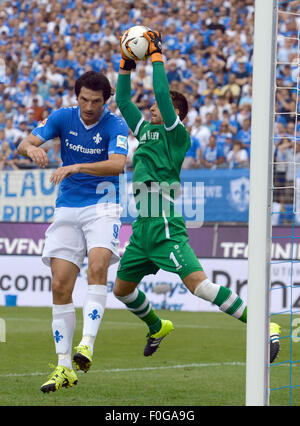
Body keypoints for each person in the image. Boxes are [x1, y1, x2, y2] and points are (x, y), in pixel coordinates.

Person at [113, 29, 281, 362]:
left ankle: (265, 324)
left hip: (164, 224)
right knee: (122, 291)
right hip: (142, 226)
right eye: (151, 107)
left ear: (176, 114)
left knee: (200, 287)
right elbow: (121, 101)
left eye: (159, 107)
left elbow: (162, 93)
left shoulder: (177, 136)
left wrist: (156, 54)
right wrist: (125, 62)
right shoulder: (145, 130)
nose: (151, 109)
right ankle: (158, 325)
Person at [18, 71, 129, 393]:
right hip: (67, 207)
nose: (89, 106)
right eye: (83, 99)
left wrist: (75, 166)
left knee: (97, 268)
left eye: (96, 101)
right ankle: (64, 366)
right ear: (76, 96)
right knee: (59, 285)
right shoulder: (61, 118)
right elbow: (25, 143)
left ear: (106, 101)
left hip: (103, 206)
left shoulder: (115, 125)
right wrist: (32, 150)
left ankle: (87, 345)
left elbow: (117, 164)